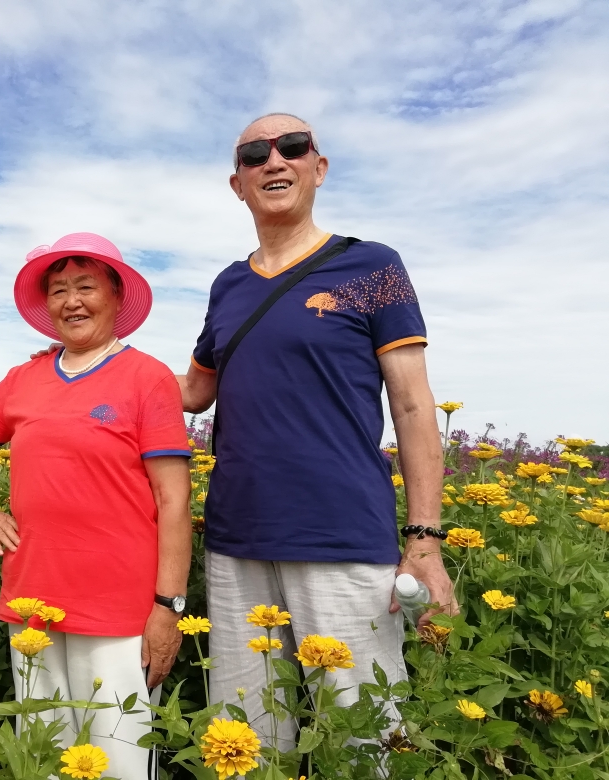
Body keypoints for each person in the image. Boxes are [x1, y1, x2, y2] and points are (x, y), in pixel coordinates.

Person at [178, 113, 457, 749]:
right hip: (236, 539)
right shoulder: (228, 285)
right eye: (255, 154)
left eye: (293, 147)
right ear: (237, 184)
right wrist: (91, 363)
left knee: (364, 741)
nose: (275, 161)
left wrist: (423, 541)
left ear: (318, 168)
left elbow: (414, 408)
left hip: (342, 537)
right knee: (244, 739)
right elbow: (193, 390)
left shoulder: (374, 266)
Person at [0, 232, 193, 779]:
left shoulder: (146, 376)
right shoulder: (25, 378)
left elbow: (174, 500)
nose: (71, 301)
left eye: (85, 286)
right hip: (32, 596)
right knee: (43, 757)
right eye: (58, 290)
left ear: (116, 296)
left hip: (118, 608)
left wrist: (167, 607)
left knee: (117, 761)